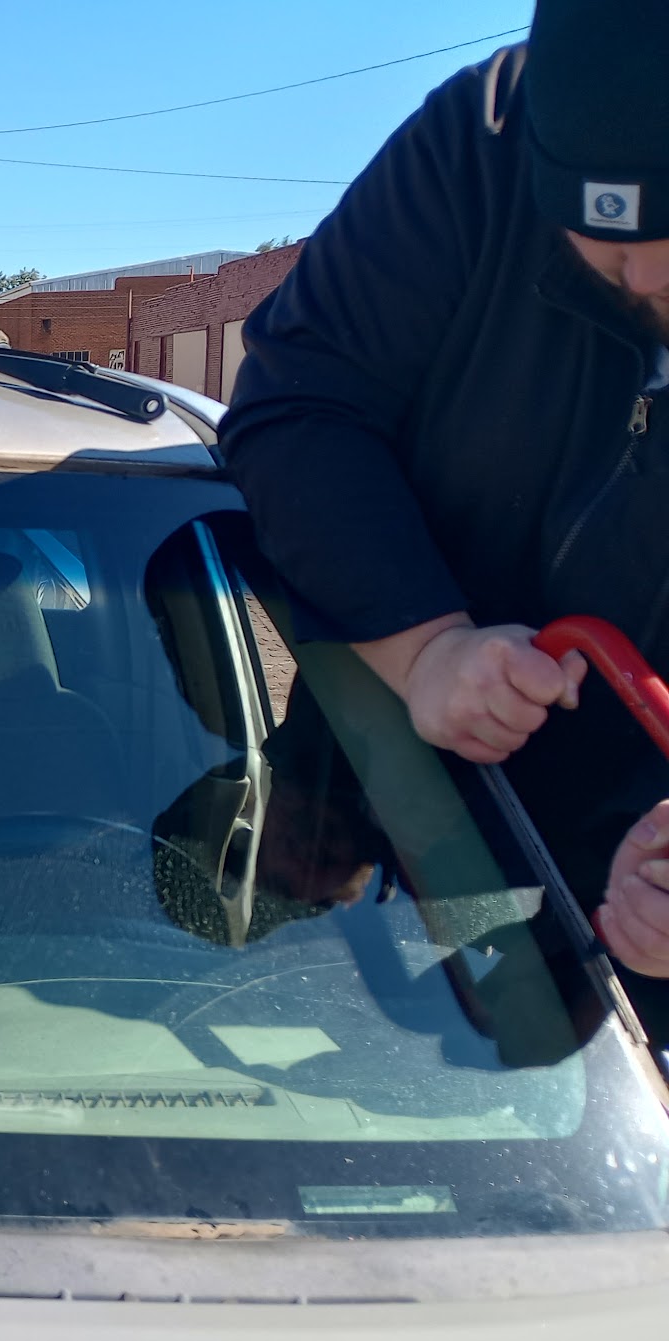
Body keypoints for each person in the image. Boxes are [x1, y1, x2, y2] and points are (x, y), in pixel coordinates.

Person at [220, 0, 669, 1040]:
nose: (648, 273)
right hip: (374, 801)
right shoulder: (469, 149)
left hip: (631, 900)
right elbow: (297, 405)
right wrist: (425, 649)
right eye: (605, 234)